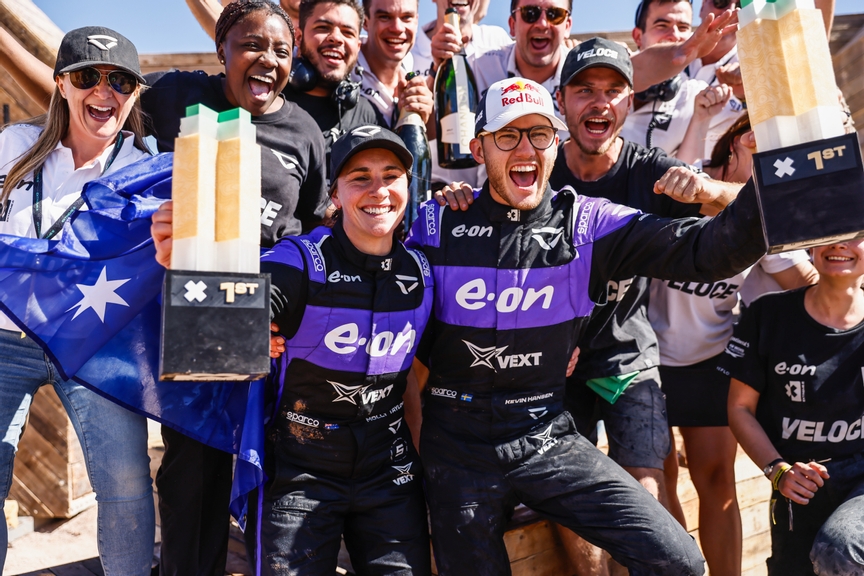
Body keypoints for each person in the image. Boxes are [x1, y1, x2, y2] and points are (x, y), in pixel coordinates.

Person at [406, 75, 767, 575]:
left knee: (679, 560)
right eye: (507, 135)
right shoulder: (434, 223)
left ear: (558, 142)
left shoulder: (588, 222)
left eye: (540, 134)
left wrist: (781, 175)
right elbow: (360, 290)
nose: (525, 149)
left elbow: (711, 251)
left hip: (544, 433)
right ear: (478, 146)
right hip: (457, 447)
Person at [542, 37, 741, 574]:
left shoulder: (646, 167)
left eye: (613, 91)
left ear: (630, 103)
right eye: (584, 90)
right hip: (552, 363)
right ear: (561, 100)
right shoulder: (534, 170)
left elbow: (737, 204)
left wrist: (703, 186)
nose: (599, 102)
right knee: (565, 496)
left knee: (644, 493)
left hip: (626, 355)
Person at [0, 26, 154, 575]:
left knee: (127, 484)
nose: (104, 92)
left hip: (96, 344)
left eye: (121, 82)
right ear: (62, 84)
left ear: (135, 95)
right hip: (6, 339)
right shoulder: (11, 147)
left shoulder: (148, 167)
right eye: (89, 77)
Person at [650, 115, 818, 576]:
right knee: (658, 484)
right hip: (645, 362)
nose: (791, 170)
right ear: (748, 140)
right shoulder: (688, 178)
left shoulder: (767, 211)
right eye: (785, 157)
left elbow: (810, 283)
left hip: (709, 362)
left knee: (718, 481)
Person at [725, 239, 864, 575]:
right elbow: (739, 408)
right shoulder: (766, 315)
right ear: (810, 247)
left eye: (855, 234)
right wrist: (777, 470)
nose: (840, 244)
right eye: (829, 234)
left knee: (840, 549)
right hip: (795, 485)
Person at [621, 0, 728, 157]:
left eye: (683, 28)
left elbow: (689, 172)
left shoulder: (698, 96)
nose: (675, 36)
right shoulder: (603, 74)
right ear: (638, 36)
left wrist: (701, 120)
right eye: (662, 25)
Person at [350, 0, 434, 129]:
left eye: (406, 17)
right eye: (385, 17)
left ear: (416, 21)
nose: (397, 28)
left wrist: (422, 115)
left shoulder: (409, 64)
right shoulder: (344, 63)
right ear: (365, 22)